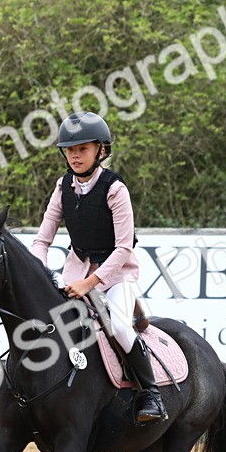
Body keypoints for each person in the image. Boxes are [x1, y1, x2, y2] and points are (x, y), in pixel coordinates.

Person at [29, 111, 167, 424]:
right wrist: (41, 272)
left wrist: (90, 284)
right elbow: (41, 241)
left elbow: (124, 247)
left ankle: (151, 394)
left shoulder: (116, 190)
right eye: (70, 150)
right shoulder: (62, 187)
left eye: (83, 149)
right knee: (52, 327)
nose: (75, 155)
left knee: (118, 327)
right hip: (76, 271)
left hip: (117, 274)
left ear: (100, 150)